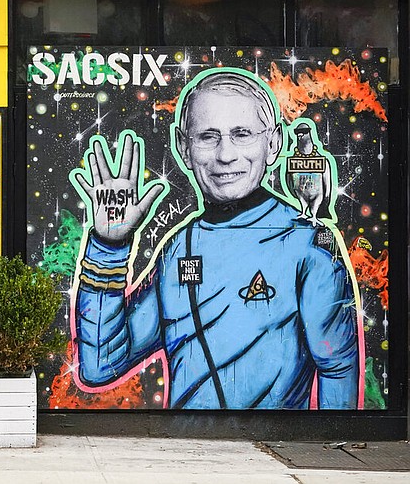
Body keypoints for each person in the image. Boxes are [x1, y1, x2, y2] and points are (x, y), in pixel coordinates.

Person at [71, 68, 361, 409]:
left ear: (273, 144)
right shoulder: (178, 250)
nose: (225, 155)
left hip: (269, 452)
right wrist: (109, 246)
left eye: (242, 134)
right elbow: (101, 365)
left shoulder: (309, 244)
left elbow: (337, 368)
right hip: (185, 455)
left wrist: (323, 452)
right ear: (184, 147)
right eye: (208, 136)